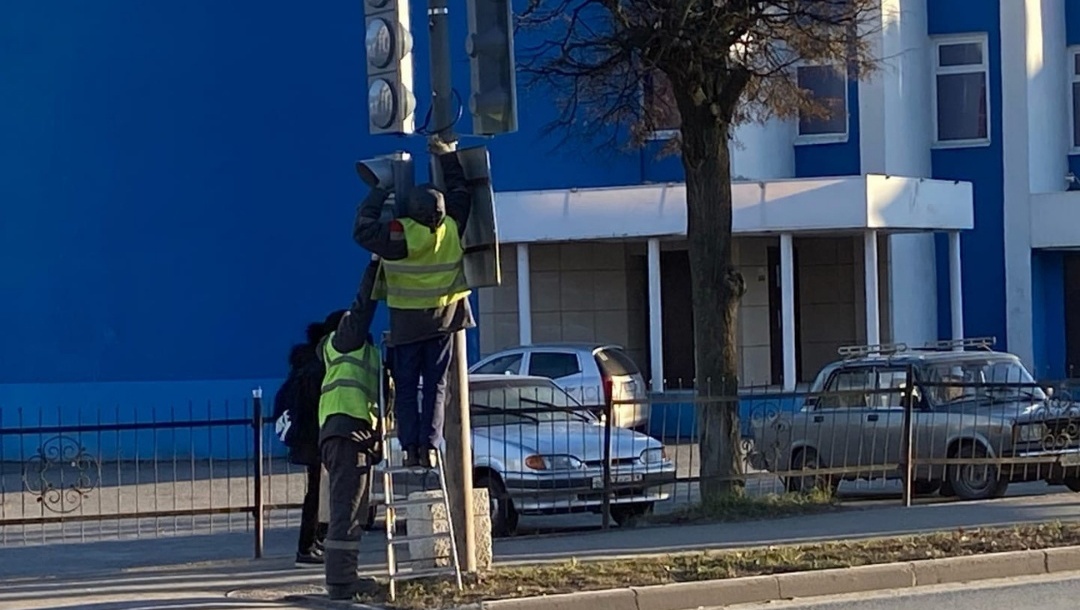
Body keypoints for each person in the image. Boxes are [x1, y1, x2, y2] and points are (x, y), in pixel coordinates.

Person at [353, 135, 474, 469]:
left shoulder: (399, 232)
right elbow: (461, 192)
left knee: (406, 387)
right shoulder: (452, 227)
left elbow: (362, 230)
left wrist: (381, 189)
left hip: (406, 325)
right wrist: (447, 155)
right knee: (436, 386)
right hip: (445, 321)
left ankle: (409, 449)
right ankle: (431, 447)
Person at [317, 259, 383, 600]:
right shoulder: (345, 342)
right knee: (346, 509)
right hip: (346, 436)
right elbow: (362, 307)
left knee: (352, 509)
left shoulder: (363, 354)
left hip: (348, 436)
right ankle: (342, 583)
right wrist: (375, 268)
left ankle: (345, 577)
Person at [273, 313, 344, 566]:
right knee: (318, 492)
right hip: (315, 437)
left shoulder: (307, 364)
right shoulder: (318, 367)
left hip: (311, 437)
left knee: (319, 491)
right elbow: (317, 405)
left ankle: (314, 542)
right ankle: (307, 546)